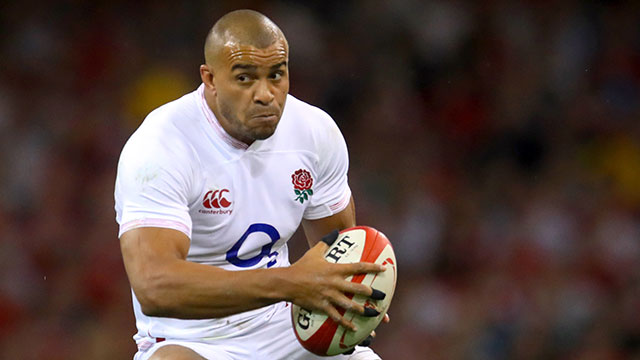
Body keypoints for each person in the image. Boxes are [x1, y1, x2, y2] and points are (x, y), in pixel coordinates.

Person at [115, 9, 386, 360]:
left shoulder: (315, 133)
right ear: (209, 79)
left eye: (277, 75)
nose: (265, 94)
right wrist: (290, 284)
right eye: (245, 79)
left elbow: (339, 251)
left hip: (284, 326)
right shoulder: (160, 146)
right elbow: (155, 287)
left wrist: (351, 297)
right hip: (190, 337)